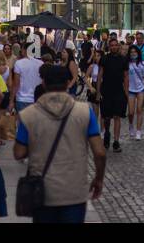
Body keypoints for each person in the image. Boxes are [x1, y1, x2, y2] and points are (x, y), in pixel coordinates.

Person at [13, 63, 107, 223]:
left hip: (43, 191)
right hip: (74, 191)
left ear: (43, 83)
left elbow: (19, 153)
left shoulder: (29, 114)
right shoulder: (84, 112)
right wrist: (98, 179)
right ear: (67, 84)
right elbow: (99, 152)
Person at [99, 38, 130, 151]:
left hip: (119, 91)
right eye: (111, 45)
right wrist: (98, 92)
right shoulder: (104, 58)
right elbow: (100, 75)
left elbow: (126, 76)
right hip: (106, 90)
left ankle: (116, 141)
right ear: (109, 47)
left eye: (115, 45)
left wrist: (126, 92)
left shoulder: (123, 59)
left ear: (118, 46)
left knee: (117, 116)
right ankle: (107, 132)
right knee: (107, 117)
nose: (114, 47)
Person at [10, 41, 43, 114]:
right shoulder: (41, 64)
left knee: (22, 123)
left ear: (25, 50)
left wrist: (11, 101)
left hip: (22, 99)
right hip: (37, 99)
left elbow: (16, 84)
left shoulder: (19, 63)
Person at [126, 45, 144, 140]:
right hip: (130, 89)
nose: (133, 54)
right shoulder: (127, 64)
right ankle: (131, 124)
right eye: (131, 52)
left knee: (139, 110)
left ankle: (138, 131)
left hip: (141, 89)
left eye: (135, 52)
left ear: (138, 53)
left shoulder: (142, 64)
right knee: (131, 112)